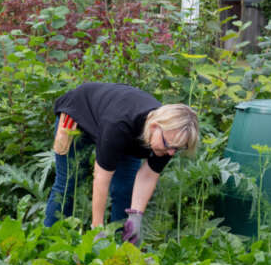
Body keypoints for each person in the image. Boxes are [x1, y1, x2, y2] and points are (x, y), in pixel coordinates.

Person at [44, 82, 200, 243]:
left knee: (125, 189)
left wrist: (136, 217)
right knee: (69, 183)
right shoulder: (119, 126)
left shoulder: (170, 138)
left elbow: (148, 175)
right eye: (169, 146)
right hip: (78, 113)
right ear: (154, 127)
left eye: (178, 149)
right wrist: (96, 228)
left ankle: (120, 246)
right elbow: (101, 178)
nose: (171, 153)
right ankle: (50, 241)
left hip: (125, 129)